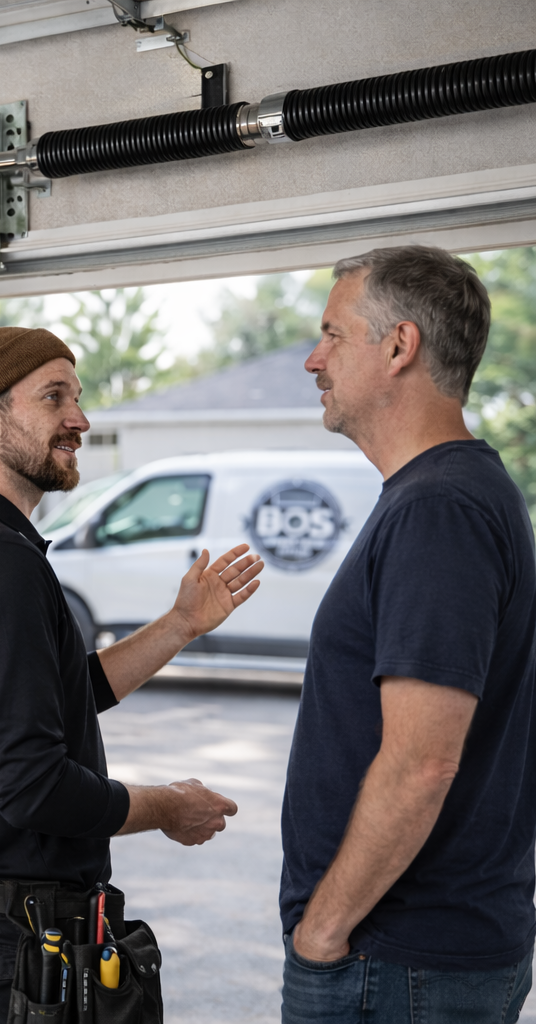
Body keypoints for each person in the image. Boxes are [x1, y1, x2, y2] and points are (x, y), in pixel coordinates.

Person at [0, 325, 263, 1023]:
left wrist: (179, 624)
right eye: (54, 397)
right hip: (8, 945)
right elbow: (30, 786)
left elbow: (54, 696)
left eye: (77, 397)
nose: (79, 419)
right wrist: (167, 808)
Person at [280, 245, 536, 1023]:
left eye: (332, 334)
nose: (313, 359)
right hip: (413, 959)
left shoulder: (439, 509)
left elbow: (424, 762)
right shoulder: (447, 494)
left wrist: (323, 931)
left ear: (399, 346)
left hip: (396, 964)